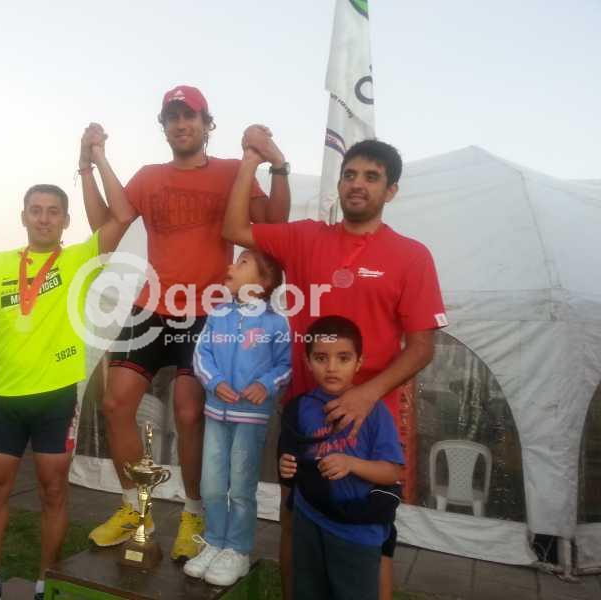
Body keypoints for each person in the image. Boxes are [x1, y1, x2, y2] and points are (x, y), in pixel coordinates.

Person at [223, 136, 447, 599]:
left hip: (369, 421)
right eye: (350, 175)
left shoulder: (412, 255)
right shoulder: (306, 237)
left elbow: (422, 346)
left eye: (371, 177)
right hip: (305, 416)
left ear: (391, 191)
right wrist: (251, 160)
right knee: (294, 521)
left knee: (373, 538)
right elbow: (234, 227)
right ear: (339, 185)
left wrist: (366, 393)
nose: (357, 184)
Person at [81, 86, 290, 561]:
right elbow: (104, 226)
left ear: (206, 123)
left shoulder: (231, 171)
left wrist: (275, 165)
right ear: (164, 126)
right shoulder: (149, 176)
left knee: (189, 413)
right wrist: (89, 165)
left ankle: (194, 512)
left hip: (206, 312)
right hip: (150, 307)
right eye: (172, 117)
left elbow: (272, 222)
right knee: (115, 403)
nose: (181, 124)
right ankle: (135, 507)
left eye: (189, 116)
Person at [0, 138, 130, 600]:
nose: (44, 218)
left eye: (53, 212)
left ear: (66, 220)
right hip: (5, 396)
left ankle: (47, 583)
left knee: (53, 492)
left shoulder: (79, 259)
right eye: (36, 210)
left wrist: (92, 161)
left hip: (57, 397)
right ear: (23, 216)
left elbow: (123, 216)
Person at [183, 250, 291, 585]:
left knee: (242, 487)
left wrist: (265, 385)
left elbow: (286, 364)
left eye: (242, 263)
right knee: (212, 484)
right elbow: (201, 355)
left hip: (251, 419)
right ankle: (215, 542)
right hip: (216, 414)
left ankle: (238, 551)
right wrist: (215, 382)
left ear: (264, 281)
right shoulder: (218, 315)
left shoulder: (276, 323)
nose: (231, 266)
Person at [278, 316, 404, 600]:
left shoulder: (375, 411)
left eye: (343, 358)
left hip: (357, 530)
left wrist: (351, 464)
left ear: (359, 362)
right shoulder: (300, 408)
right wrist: (287, 466)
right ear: (308, 362)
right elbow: (294, 462)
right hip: (309, 520)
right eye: (321, 358)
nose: (332, 367)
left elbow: (393, 472)